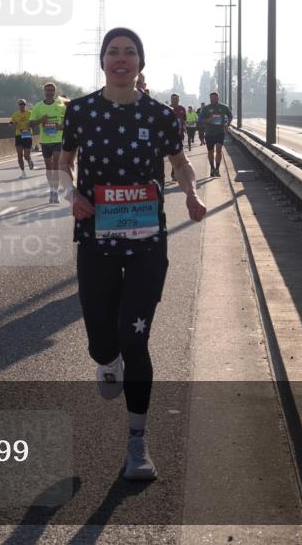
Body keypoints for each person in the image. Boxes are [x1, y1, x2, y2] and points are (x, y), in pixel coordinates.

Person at [59, 27, 206, 481]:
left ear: (141, 62)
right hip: (96, 239)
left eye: (130, 53)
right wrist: (71, 196)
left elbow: (178, 161)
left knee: (135, 337)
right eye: (113, 53)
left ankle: (137, 444)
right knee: (103, 339)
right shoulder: (80, 111)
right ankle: (106, 360)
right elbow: (62, 164)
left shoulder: (161, 116)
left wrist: (191, 192)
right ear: (102, 61)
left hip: (146, 241)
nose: (121, 60)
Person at [29, 82, 68, 203]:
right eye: (47, 90)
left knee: (55, 164)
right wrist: (42, 120)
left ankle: (55, 192)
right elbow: (30, 124)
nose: (49, 92)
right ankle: (51, 188)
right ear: (44, 92)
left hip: (57, 140)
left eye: (51, 90)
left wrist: (60, 127)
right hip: (45, 141)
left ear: (54, 92)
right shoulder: (38, 106)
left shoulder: (61, 106)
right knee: (49, 167)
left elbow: (68, 123)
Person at [197, 91, 233, 177]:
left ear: (218, 98)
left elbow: (230, 116)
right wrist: (207, 120)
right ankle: (212, 168)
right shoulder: (205, 108)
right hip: (209, 133)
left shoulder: (224, 107)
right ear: (210, 99)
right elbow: (200, 119)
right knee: (210, 151)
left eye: (215, 98)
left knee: (219, 150)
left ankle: (217, 169)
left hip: (220, 132)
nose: (213, 99)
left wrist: (227, 124)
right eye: (211, 98)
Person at [9, 99, 35, 178]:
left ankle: (29, 161)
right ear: (18, 106)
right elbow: (10, 125)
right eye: (20, 104)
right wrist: (14, 125)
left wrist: (30, 124)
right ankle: (23, 172)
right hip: (19, 135)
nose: (22, 105)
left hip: (27, 135)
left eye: (23, 104)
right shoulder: (15, 115)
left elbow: (34, 122)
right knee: (19, 155)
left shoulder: (30, 113)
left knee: (26, 155)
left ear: (25, 105)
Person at [168, 93, 187, 182]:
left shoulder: (182, 109)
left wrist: (184, 128)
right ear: (171, 100)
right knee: (171, 154)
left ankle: (174, 173)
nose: (175, 100)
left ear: (179, 100)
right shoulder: (167, 109)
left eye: (176, 99)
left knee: (178, 154)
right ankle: (174, 172)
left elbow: (184, 120)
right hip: (169, 135)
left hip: (180, 134)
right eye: (173, 99)